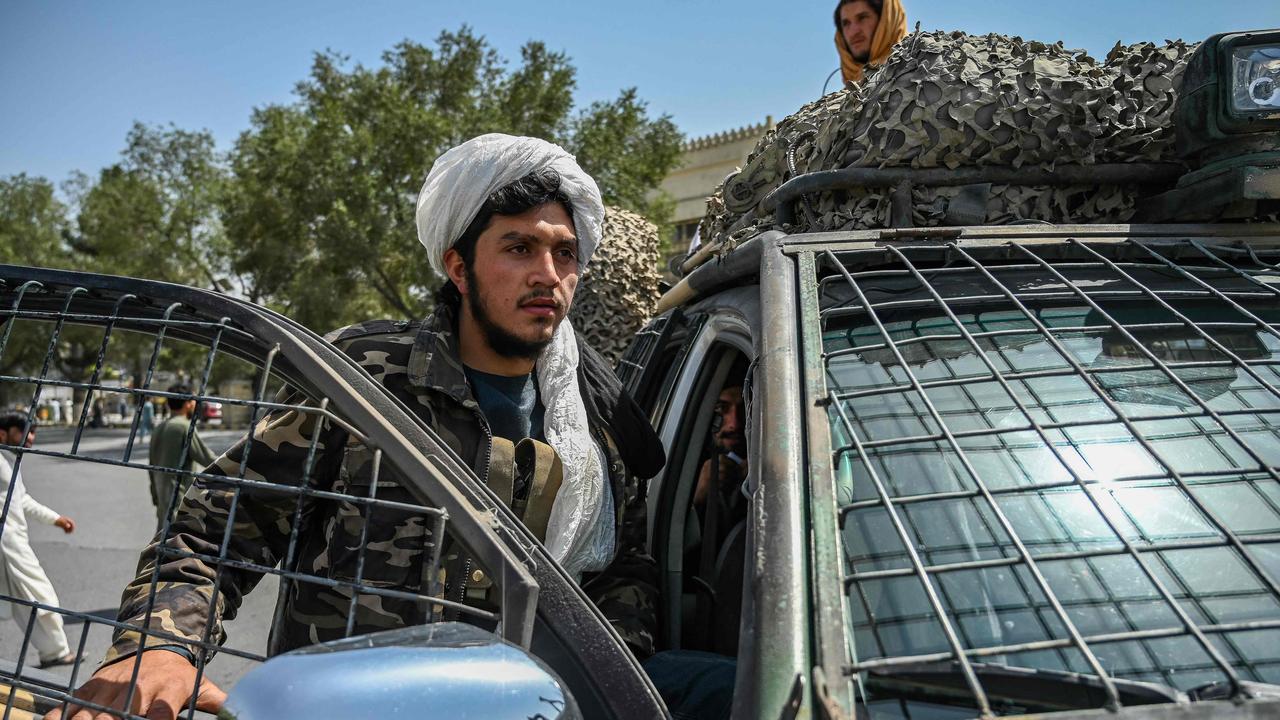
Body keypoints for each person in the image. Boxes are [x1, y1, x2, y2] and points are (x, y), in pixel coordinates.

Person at [50, 134, 666, 720]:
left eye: (564, 252)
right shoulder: (365, 379)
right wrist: (159, 645)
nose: (548, 274)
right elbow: (218, 529)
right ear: (459, 266)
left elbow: (621, 571)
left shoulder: (594, 416)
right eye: (519, 248)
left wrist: (608, 684)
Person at [0, 413, 77, 669]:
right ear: (3, 434)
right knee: (39, 595)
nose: (30, 438)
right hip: (8, 544)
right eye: (25, 432)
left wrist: (55, 519)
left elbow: (20, 499)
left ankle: (54, 650)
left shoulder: (9, 461)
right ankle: (55, 650)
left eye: (33, 433)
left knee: (26, 600)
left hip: (10, 543)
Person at [147, 385, 217, 530]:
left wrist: (155, 495)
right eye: (193, 401)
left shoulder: (159, 428)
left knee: (163, 539)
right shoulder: (184, 426)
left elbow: (151, 466)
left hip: (162, 497)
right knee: (178, 541)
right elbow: (207, 458)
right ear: (188, 404)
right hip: (179, 498)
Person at [833, 0, 908, 86]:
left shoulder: (918, 71)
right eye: (846, 23)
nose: (853, 32)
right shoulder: (851, 91)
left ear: (885, 19)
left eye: (862, 17)